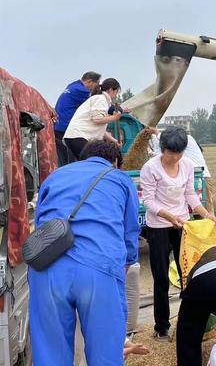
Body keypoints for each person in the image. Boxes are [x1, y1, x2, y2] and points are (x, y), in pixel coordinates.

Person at [28, 140, 140, 366]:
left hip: (47, 268)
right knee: (105, 353)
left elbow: (41, 224)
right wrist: (124, 265)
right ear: (116, 162)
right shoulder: (120, 178)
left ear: (83, 157)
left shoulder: (55, 175)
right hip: (98, 268)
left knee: (50, 354)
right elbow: (130, 234)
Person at [140, 126, 216, 341]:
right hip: (158, 226)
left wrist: (205, 214)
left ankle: (189, 321)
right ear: (162, 149)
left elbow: (190, 195)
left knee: (188, 275)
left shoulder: (187, 165)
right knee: (161, 278)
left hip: (183, 225)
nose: (176, 157)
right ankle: (162, 326)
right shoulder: (150, 168)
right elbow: (148, 201)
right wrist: (168, 217)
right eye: (171, 153)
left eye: (180, 153)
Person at [149, 132, 214, 213]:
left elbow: (167, 140)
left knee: (207, 210)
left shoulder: (188, 139)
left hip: (202, 177)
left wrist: (155, 132)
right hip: (189, 178)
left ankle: (211, 223)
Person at [63, 78, 122, 160]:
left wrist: (113, 140)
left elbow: (100, 128)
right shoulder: (101, 99)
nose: (116, 96)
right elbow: (97, 119)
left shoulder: (100, 100)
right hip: (79, 136)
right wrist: (114, 117)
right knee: (93, 162)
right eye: (116, 92)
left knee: (88, 163)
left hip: (74, 136)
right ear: (111, 90)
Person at [54, 71, 101, 166]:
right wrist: (119, 110)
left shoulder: (72, 85)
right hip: (66, 128)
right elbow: (97, 103)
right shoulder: (81, 90)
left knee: (64, 158)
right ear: (90, 82)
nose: (95, 89)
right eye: (96, 85)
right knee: (78, 159)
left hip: (58, 126)